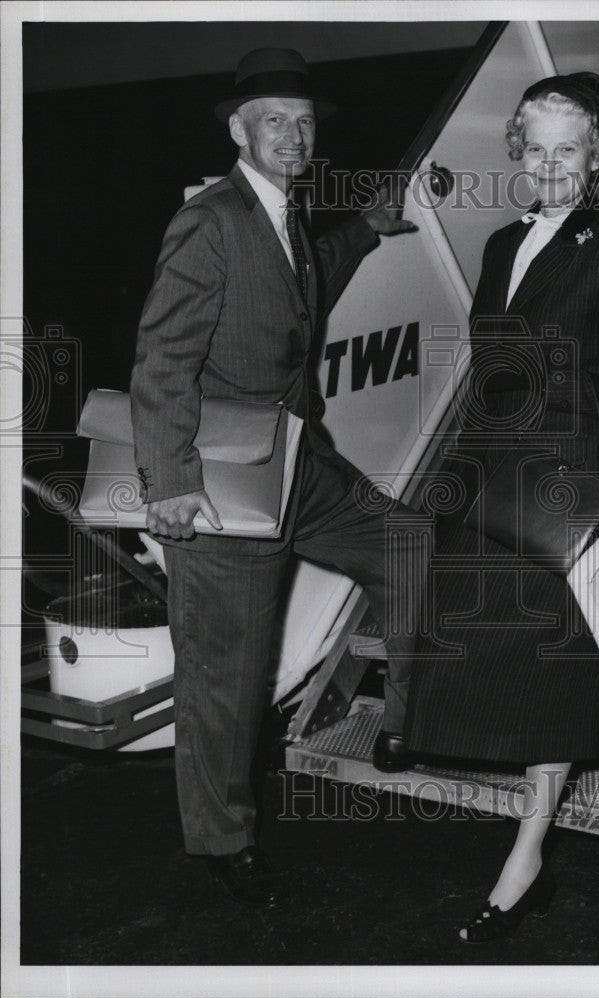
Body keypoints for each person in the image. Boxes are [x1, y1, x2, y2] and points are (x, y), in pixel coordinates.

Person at [130, 48, 424, 906]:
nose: (293, 136)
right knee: (230, 671)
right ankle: (221, 840)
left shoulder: (284, 214)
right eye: (273, 122)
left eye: (303, 123)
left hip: (300, 460)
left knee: (405, 537)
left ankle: (405, 724)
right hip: (222, 482)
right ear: (238, 130)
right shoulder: (210, 219)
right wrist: (170, 481)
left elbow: (305, 283)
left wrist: (368, 227)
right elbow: (162, 358)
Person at [403, 72, 599, 942]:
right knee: (489, 662)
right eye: (537, 149)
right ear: (517, 154)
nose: (552, 165)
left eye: (571, 149)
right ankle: (482, 793)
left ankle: (526, 855)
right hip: (491, 474)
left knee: (546, 681)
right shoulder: (500, 243)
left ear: (596, 158)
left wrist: (547, 384)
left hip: (556, 487)